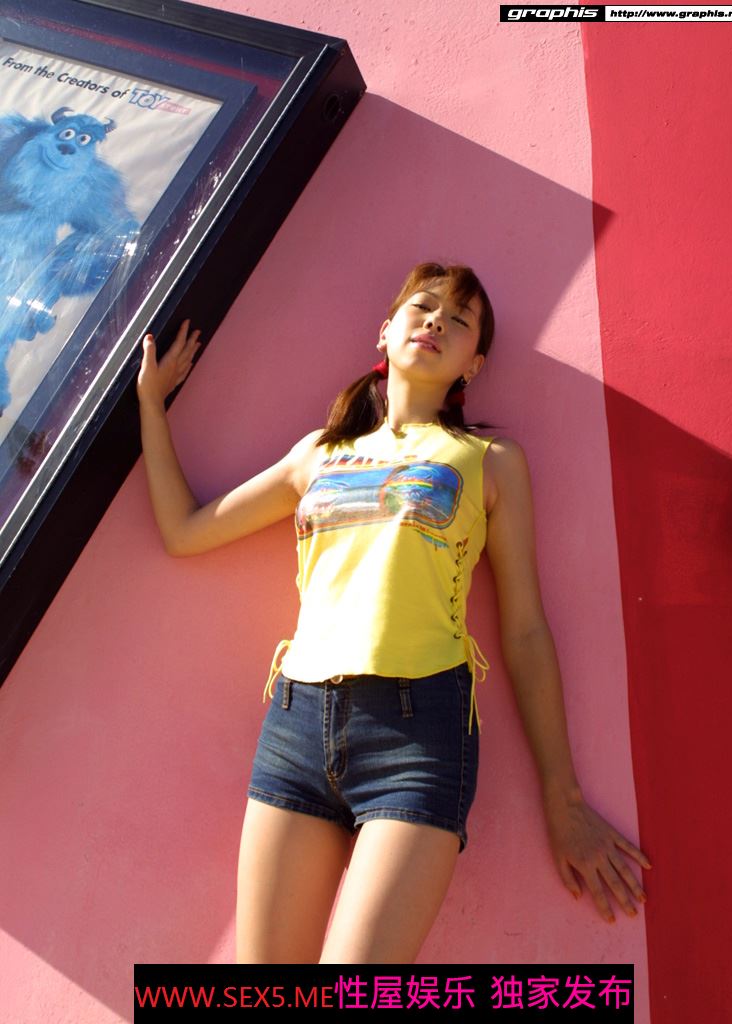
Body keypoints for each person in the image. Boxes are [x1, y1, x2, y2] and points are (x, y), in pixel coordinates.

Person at [136, 261, 651, 965]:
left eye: (459, 319)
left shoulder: (489, 459)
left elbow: (526, 628)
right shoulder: (319, 454)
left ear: (474, 364)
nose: (437, 320)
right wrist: (151, 406)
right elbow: (184, 531)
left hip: (419, 735)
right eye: (423, 306)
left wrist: (564, 802)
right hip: (296, 727)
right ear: (386, 330)